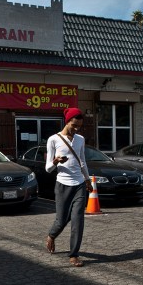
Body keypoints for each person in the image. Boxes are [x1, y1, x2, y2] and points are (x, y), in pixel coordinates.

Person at [44, 107, 92, 267]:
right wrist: (56, 161)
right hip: (62, 184)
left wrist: (87, 179)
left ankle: (74, 254)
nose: (76, 129)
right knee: (61, 219)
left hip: (78, 184)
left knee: (78, 220)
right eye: (74, 125)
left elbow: (82, 160)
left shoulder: (80, 139)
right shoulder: (53, 140)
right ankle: (51, 235)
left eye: (79, 126)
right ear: (67, 122)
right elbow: (48, 168)